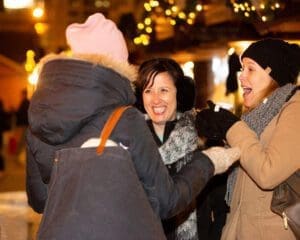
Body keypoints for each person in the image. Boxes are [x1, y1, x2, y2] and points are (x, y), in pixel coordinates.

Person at [25, 13, 240, 238]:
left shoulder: (39, 121)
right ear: (117, 66)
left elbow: (41, 201)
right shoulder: (124, 120)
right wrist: (209, 161)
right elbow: (166, 201)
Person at [196, 38, 300, 240]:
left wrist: (232, 127)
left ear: (273, 74)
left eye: (251, 69)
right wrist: (217, 137)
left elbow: (267, 173)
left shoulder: (295, 110)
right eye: (242, 69)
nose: (241, 77)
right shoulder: (257, 116)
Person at [135, 58, 229, 240]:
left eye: (164, 90)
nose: (155, 99)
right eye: (148, 91)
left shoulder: (203, 137)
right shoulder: (132, 142)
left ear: (179, 93)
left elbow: (221, 207)